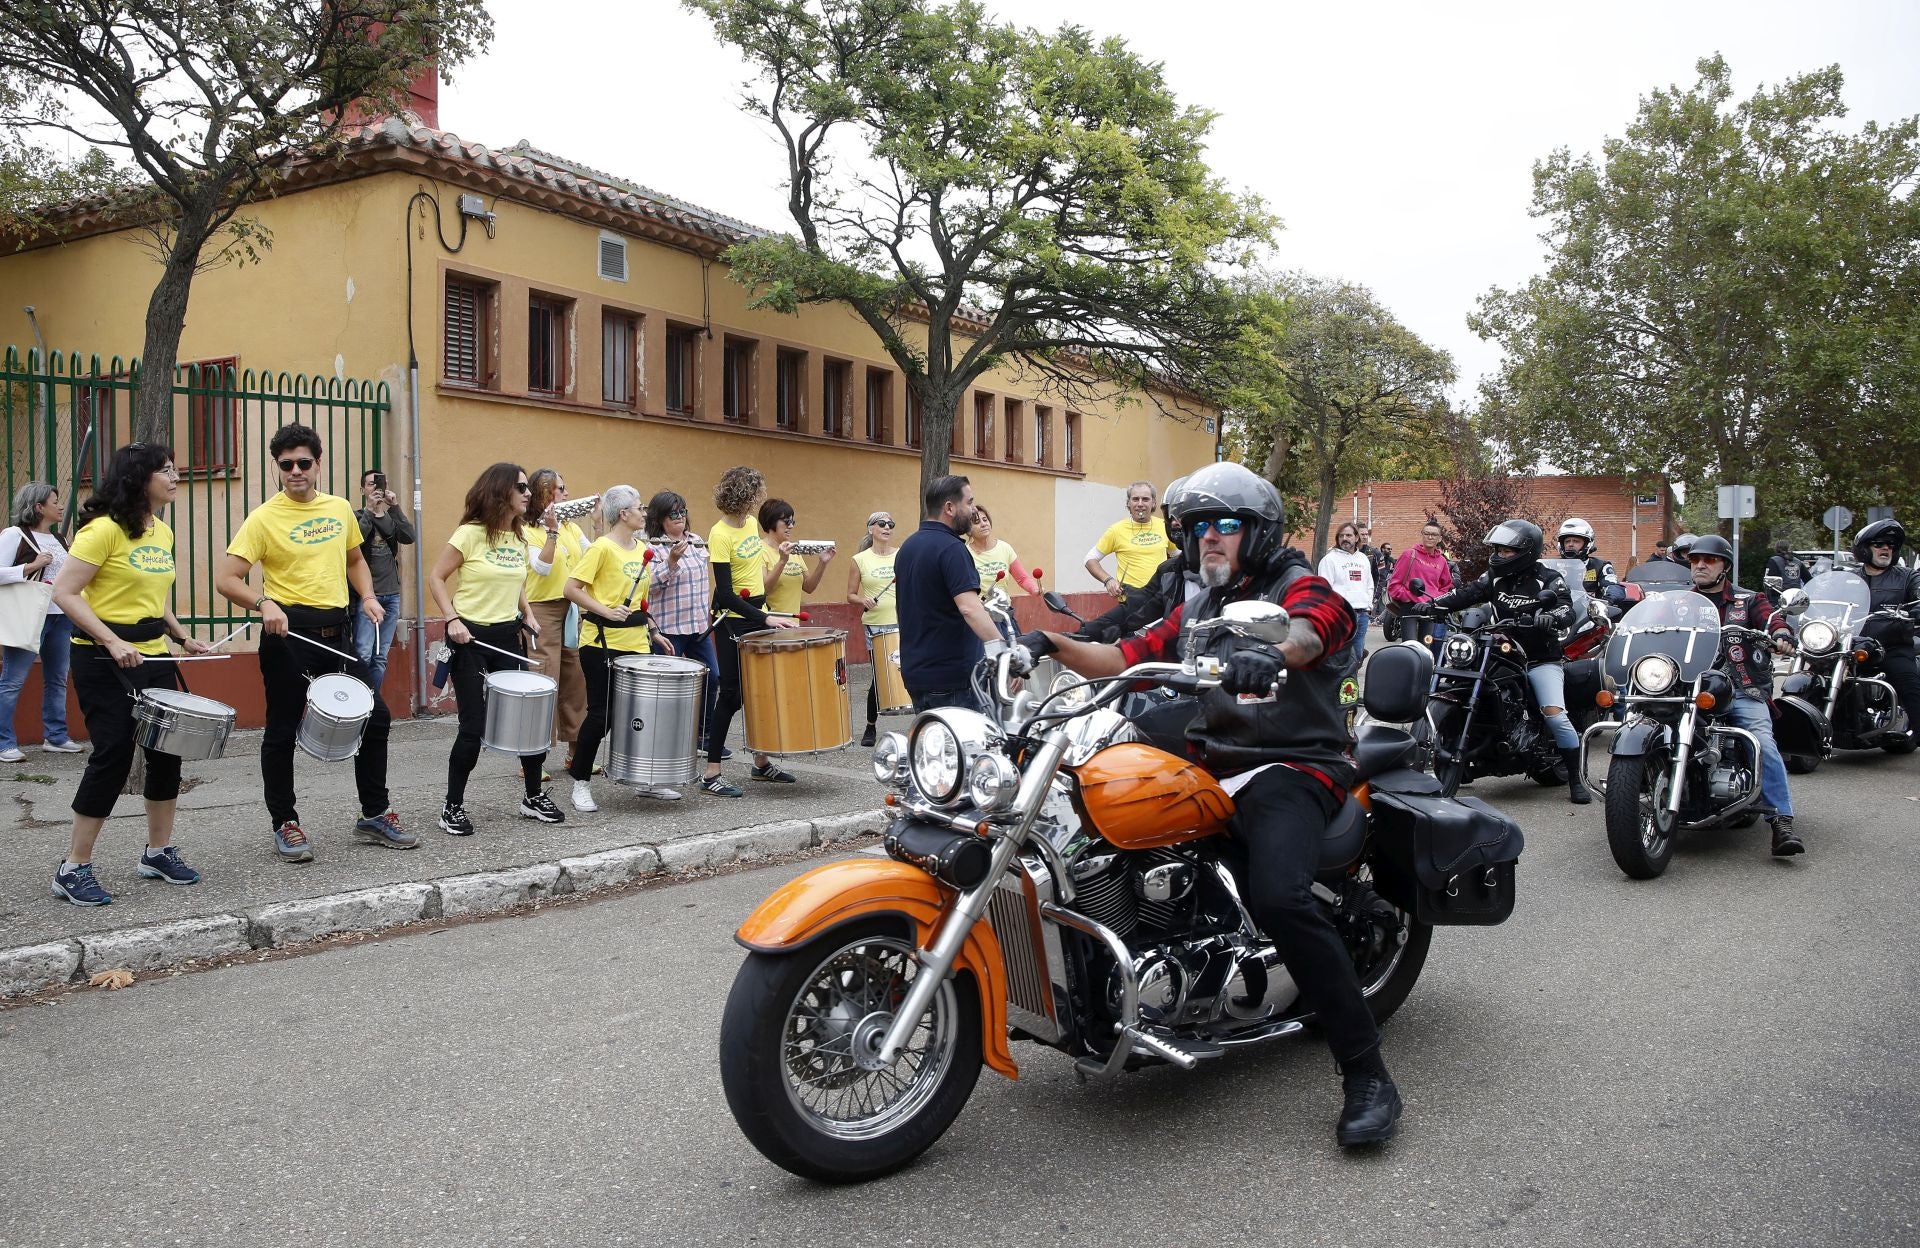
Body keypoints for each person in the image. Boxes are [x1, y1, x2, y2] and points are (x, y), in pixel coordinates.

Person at [1017, 462, 1399, 1148]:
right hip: (1212, 757)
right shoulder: (1198, 602)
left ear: (1258, 532)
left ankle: (1366, 1072)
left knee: (1281, 897)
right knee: (1090, 808)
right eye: (1196, 527)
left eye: (1223, 525)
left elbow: (1318, 629)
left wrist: (1273, 652)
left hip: (1291, 761)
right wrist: (1048, 642)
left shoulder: (1298, 583)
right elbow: (1127, 653)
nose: (1207, 539)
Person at [215, 423, 415, 861]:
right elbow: (227, 580)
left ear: (318, 464)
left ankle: (375, 813)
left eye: (304, 463)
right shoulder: (264, 518)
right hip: (287, 637)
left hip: (337, 633)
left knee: (375, 717)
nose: (295, 471)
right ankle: (285, 822)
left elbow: (355, 559)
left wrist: (366, 597)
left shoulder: (339, 509)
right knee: (284, 728)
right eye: (286, 465)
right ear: (278, 468)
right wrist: (264, 602)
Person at [47, 446, 213, 905]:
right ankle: (73, 867)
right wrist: (110, 640)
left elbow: (152, 594)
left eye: (175, 468)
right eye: (166, 470)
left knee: (167, 753)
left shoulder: (161, 531)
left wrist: (180, 636)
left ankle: (157, 852)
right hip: (103, 661)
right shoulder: (101, 531)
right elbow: (65, 593)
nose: (176, 476)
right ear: (139, 479)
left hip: (153, 656)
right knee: (114, 753)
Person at [426, 462, 562, 835]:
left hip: (507, 638)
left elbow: (516, 582)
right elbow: (436, 577)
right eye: (521, 487)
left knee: (527, 718)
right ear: (500, 491)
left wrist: (529, 614)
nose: (528, 493)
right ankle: (452, 806)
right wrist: (452, 620)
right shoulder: (469, 534)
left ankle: (532, 796)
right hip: (469, 640)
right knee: (473, 725)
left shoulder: (518, 538)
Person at [1412, 520, 1589, 805]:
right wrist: (1432, 605)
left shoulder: (1548, 578)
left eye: (1507, 551)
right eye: (1498, 549)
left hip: (1539, 659)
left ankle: (1575, 778)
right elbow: (1464, 594)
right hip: (1501, 649)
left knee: (1554, 713)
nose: (1500, 555)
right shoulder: (1494, 576)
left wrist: (1551, 617)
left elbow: (1566, 608)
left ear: (1526, 551)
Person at [564, 485, 682, 809]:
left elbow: (641, 600)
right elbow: (571, 589)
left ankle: (647, 780)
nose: (644, 513)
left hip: (637, 644)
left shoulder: (641, 548)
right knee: (603, 715)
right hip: (600, 643)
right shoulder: (601, 548)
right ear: (623, 514)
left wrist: (654, 630)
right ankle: (581, 783)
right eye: (639, 508)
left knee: (643, 714)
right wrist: (604, 610)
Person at [1681, 535, 1801, 854]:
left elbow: (1773, 619)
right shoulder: (1682, 604)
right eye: (1695, 560)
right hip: (1689, 688)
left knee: (1762, 742)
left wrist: (1781, 634)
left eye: (1709, 560)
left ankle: (1781, 819)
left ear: (1725, 567)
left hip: (1740, 688)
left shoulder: (1749, 600)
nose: (1701, 565)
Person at [701, 466, 799, 797]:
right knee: (731, 694)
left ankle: (761, 763)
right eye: (757, 492)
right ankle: (711, 772)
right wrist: (764, 618)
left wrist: (765, 614)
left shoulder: (750, 529)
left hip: (758, 614)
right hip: (734, 619)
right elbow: (726, 593)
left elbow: (758, 580)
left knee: (762, 690)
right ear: (747, 495)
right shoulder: (720, 534)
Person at [895, 475, 1005, 713]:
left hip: (917, 674)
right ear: (949, 508)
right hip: (952, 679)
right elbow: (970, 608)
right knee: (964, 749)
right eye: (969, 502)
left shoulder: (908, 546)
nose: (974, 510)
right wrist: (1003, 651)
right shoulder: (953, 549)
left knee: (931, 748)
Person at [0, 483, 81, 760]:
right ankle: (4, 743)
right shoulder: (14, 535)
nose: (61, 506)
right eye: (55, 501)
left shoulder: (60, 539)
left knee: (58, 678)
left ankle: (56, 736)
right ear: (38, 507)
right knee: (13, 680)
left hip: (60, 617)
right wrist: (31, 566)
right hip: (28, 616)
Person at [646, 490, 720, 757]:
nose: (679, 518)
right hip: (668, 627)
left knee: (712, 677)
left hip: (698, 625)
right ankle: (667, 741)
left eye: (683, 512)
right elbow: (649, 586)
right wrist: (671, 561)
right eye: (673, 514)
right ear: (660, 519)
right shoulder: (653, 546)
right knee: (669, 686)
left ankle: (703, 736)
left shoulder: (697, 541)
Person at [523, 468, 589, 765]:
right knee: (544, 679)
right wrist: (551, 531)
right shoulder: (526, 531)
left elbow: (594, 556)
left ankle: (576, 752)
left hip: (570, 608)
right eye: (560, 489)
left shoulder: (572, 528)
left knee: (576, 680)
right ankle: (534, 758)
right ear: (545, 493)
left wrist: (599, 524)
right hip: (542, 609)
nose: (566, 494)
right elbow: (542, 568)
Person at [1851, 520, 1920, 748]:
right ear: (1864, 549)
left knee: (1909, 684)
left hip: (1892, 646)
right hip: (1852, 644)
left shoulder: (1908, 577)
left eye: (1890, 544)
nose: (1885, 548)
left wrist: (1915, 611)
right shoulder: (1850, 578)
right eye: (1879, 543)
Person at [352, 468, 414, 694]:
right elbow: (355, 541)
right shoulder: (357, 516)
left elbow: (409, 537)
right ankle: (358, 702)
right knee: (363, 653)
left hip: (391, 595)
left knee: (380, 657)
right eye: (370, 484)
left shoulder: (390, 518)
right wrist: (370, 511)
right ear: (362, 490)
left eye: (379, 484)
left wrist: (394, 506)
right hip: (368, 596)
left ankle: (372, 702)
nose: (375, 488)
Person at [848, 511, 899, 748]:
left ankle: (922, 718)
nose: (887, 527)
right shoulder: (860, 559)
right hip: (876, 624)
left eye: (890, 524)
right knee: (879, 676)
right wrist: (863, 600)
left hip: (902, 622)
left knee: (911, 670)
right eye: (882, 523)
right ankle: (870, 725)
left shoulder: (901, 555)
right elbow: (850, 595)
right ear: (871, 529)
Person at [1082, 480, 1171, 602]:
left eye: (1145, 499)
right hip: (1131, 601)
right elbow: (1089, 559)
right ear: (1128, 503)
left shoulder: (1165, 526)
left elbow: (1180, 556)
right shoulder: (1116, 530)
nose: (1140, 504)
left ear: (1154, 502)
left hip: (1161, 599)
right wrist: (1108, 580)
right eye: (1135, 499)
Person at [757, 498, 836, 616]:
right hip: (771, 625)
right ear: (771, 521)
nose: (791, 526)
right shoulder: (759, 550)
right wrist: (782, 561)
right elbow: (764, 590)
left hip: (793, 623)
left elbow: (809, 587)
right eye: (787, 522)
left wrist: (822, 563)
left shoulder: (792, 550)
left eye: (793, 522)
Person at [1387, 520, 1454, 656]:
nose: (1430, 537)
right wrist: (1407, 597)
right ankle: (1408, 675)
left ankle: (1424, 675)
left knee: (1425, 648)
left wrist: (1434, 599)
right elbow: (1394, 584)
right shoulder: (1409, 554)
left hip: (1429, 607)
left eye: (1434, 535)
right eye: (1427, 533)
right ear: (1422, 535)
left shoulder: (1441, 561)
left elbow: (1446, 585)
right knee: (1410, 648)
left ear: (1439, 538)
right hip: (1410, 606)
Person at [1318, 521, 1374, 668]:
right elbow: (1324, 588)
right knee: (1338, 656)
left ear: (1356, 538)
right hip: (1341, 614)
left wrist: (1368, 605)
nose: (1345, 538)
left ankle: (1351, 686)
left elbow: (1369, 584)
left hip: (1362, 613)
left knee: (1357, 656)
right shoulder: (1329, 559)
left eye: (1348, 535)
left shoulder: (1363, 559)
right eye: (1341, 535)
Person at [966, 505, 1039, 597]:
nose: (983, 524)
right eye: (977, 522)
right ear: (968, 530)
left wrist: (1035, 589)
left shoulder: (1005, 548)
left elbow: (1023, 579)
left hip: (1004, 610)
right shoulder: (965, 553)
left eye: (985, 520)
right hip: (978, 610)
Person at [1555, 517, 1617, 600]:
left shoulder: (1601, 566)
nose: (1570, 544)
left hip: (1589, 611)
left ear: (1587, 544)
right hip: (1557, 610)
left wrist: (1610, 598)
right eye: (1567, 541)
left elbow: (1612, 587)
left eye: (1576, 541)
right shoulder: (1552, 567)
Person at [1764, 539, 1809, 607]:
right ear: (1788, 548)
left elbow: (1769, 580)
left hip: (1779, 598)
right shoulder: (1798, 562)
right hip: (1797, 597)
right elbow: (1808, 579)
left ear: (1776, 549)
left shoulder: (1773, 560)